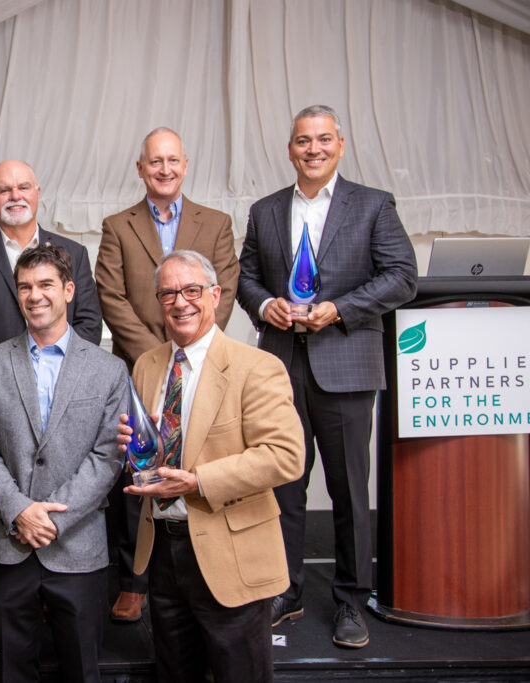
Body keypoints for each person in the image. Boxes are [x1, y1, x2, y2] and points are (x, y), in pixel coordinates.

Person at [237, 104, 418, 648]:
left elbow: (402, 276)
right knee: (282, 487)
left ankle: (351, 600)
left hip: (346, 364)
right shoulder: (265, 210)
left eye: (322, 139)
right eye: (302, 140)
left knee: (348, 491)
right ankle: (284, 590)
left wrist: (339, 309)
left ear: (340, 144)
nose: (312, 149)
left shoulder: (374, 205)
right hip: (280, 368)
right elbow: (245, 277)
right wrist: (264, 304)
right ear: (289, 149)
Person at [119, 250, 304, 682]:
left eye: (191, 290)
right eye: (168, 294)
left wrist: (197, 481)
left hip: (231, 552)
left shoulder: (257, 366)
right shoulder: (147, 365)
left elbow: (285, 454)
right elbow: (148, 450)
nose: (180, 302)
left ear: (215, 295)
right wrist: (129, 447)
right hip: (163, 551)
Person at [0, 158, 103, 643]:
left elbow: (89, 322)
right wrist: (3, 375)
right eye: (3, 189)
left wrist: (61, 371)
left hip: (65, 394)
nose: (14, 195)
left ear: (37, 192)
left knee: (63, 487)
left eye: (22, 187)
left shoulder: (73, 252)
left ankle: (53, 589)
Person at [96, 127, 240, 622]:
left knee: (195, 458)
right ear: (141, 169)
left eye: (172, 160)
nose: (164, 169)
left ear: (185, 165)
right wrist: (156, 355)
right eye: (154, 161)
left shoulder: (216, 223)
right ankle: (134, 580)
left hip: (200, 363)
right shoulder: (117, 226)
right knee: (136, 467)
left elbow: (224, 289)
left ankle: (202, 565)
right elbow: (110, 296)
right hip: (139, 368)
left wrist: (189, 346)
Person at [0, 244, 126, 682]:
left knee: (82, 671)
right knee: (11, 671)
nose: (35, 295)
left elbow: (109, 454)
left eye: (45, 285)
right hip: (8, 543)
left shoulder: (109, 369)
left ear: (69, 290)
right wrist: (20, 510)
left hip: (77, 544)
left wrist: (53, 519)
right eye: (25, 287)